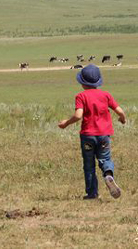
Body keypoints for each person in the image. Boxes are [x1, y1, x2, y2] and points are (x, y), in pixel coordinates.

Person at [58, 64, 127, 199]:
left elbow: (78, 115)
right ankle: (108, 174)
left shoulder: (81, 96)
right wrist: (122, 119)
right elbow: (120, 111)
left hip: (88, 136)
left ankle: (92, 193)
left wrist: (66, 123)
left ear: (82, 83)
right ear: (98, 82)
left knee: (89, 165)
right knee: (105, 158)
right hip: (104, 135)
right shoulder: (106, 95)